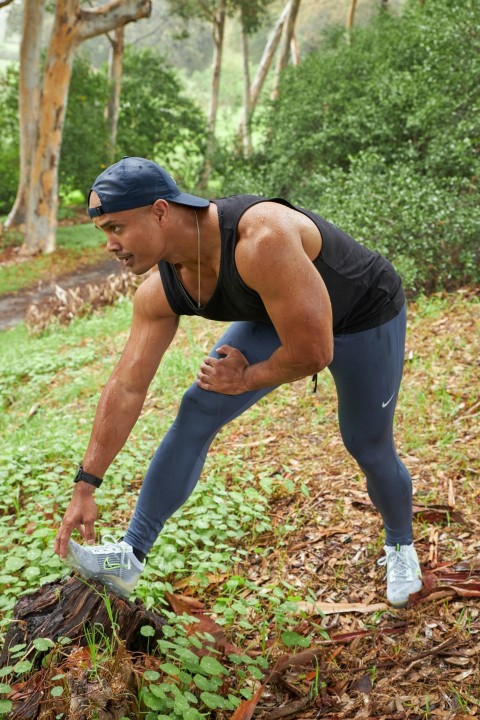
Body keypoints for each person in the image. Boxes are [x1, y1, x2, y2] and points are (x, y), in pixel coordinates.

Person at [54, 156, 423, 608]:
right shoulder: (161, 290)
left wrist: (246, 377)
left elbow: (313, 352)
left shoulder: (259, 238)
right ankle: (130, 554)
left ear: (160, 211)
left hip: (365, 315)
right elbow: (126, 386)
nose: (110, 245)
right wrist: (85, 486)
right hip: (280, 312)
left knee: (367, 445)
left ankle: (401, 545)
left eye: (116, 228)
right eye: (103, 232)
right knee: (198, 407)